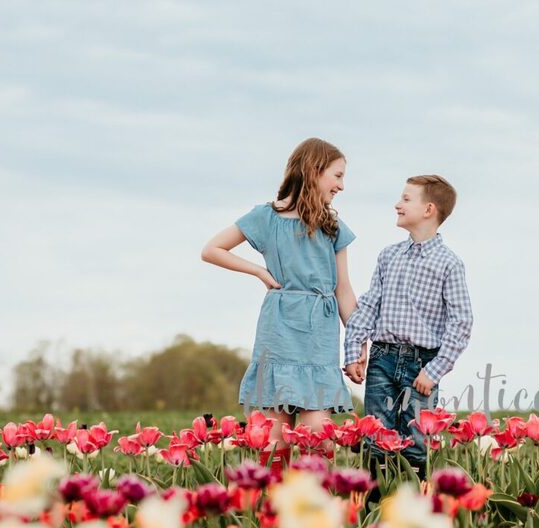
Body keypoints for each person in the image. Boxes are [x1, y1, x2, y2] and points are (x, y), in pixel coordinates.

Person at [201, 138, 357, 474]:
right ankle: (271, 509)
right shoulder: (266, 217)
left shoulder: (332, 226)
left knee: (318, 432)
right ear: (314, 171)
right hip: (280, 328)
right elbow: (212, 249)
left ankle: (317, 508)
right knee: (275, 435)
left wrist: (358, 346)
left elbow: (343, 290)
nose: (342, 185)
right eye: (337, 176)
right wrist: (258, 271)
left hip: (320, 335)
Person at [343, 174, 473, 480]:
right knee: (376, 439)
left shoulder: (448, 263)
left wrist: (435, 369)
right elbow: (369, 305)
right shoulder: (389, 256)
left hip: (422, 366)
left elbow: (461, 321)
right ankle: (377, 510)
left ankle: (414, 506)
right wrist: (353, 350)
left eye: (405, 199)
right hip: (382, 359)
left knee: (416, 442)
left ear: (428, 210)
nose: (397, 204)